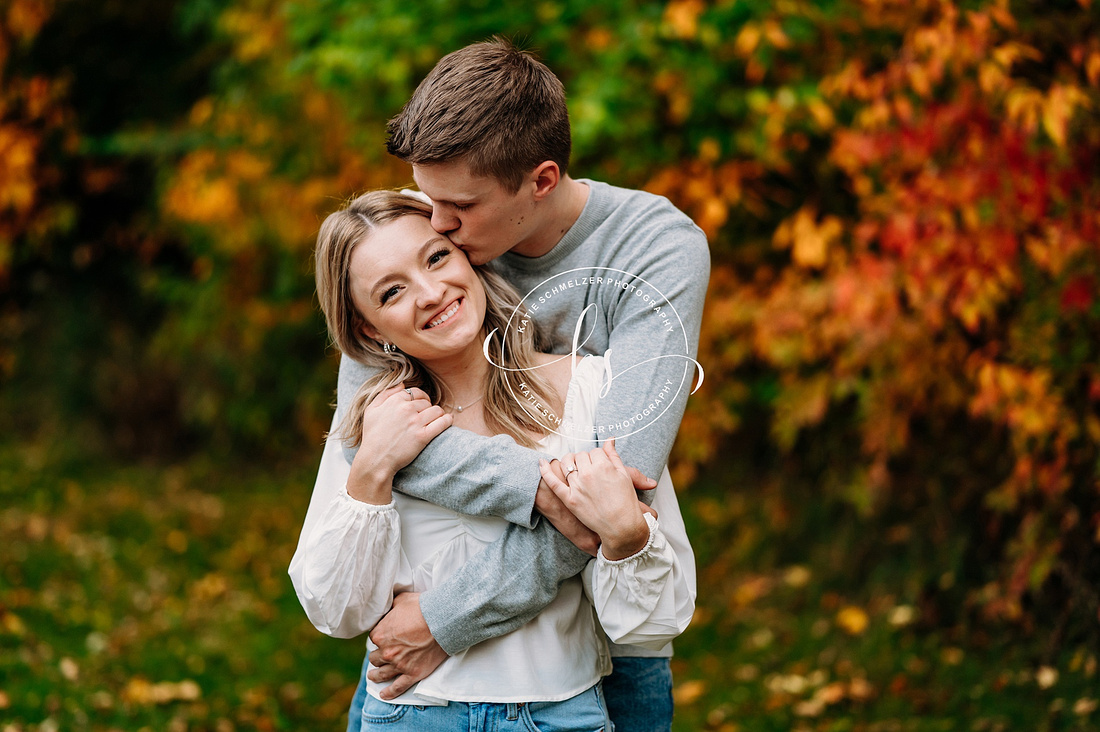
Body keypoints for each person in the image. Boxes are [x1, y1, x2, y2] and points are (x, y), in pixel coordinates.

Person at [306, 38, 710, 732]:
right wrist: (543, 488)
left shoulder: (653, 251)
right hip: (429, 682)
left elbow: (618, 492)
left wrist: (444, 619)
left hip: (600, 654)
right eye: (425, 198)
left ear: (541, 181)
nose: (434, 226)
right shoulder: (422, 227)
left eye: (455, 210)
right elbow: (378, 434)